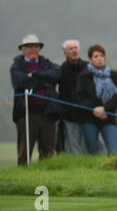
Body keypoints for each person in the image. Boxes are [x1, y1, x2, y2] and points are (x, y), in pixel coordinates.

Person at [10, 34, 62, 166]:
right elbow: (20, 81)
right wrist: (45, 83)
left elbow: (57, 74)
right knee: (25, 152)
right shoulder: (16, 66)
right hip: (26, 114)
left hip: (47, 114)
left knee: (48, 152)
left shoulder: (46, 63)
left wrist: (35, 75)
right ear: (23, 49)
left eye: (36, 46)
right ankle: (23, 179)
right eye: (29, 46)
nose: (33, 49)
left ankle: (47, 180)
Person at [75, 44, 117, 155]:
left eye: (101, 56)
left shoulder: (113, 75)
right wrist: (94, 109)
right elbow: (80, 97)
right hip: (88, 118)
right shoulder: (83, 76)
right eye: (96, 56)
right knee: (93, 152)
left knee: (113, 151)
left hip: (108, 117)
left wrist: (104, 108)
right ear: (90, 59)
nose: (99, 58)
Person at [59, 40, 88, 155]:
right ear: (65, 53)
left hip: (88, 114)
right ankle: (78, 171)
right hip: (69, 116)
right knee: (74, 149)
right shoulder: (61, 70)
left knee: (98, 145)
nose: (74, 50)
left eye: (76, 48)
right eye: (70, 49)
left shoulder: (88, 67)